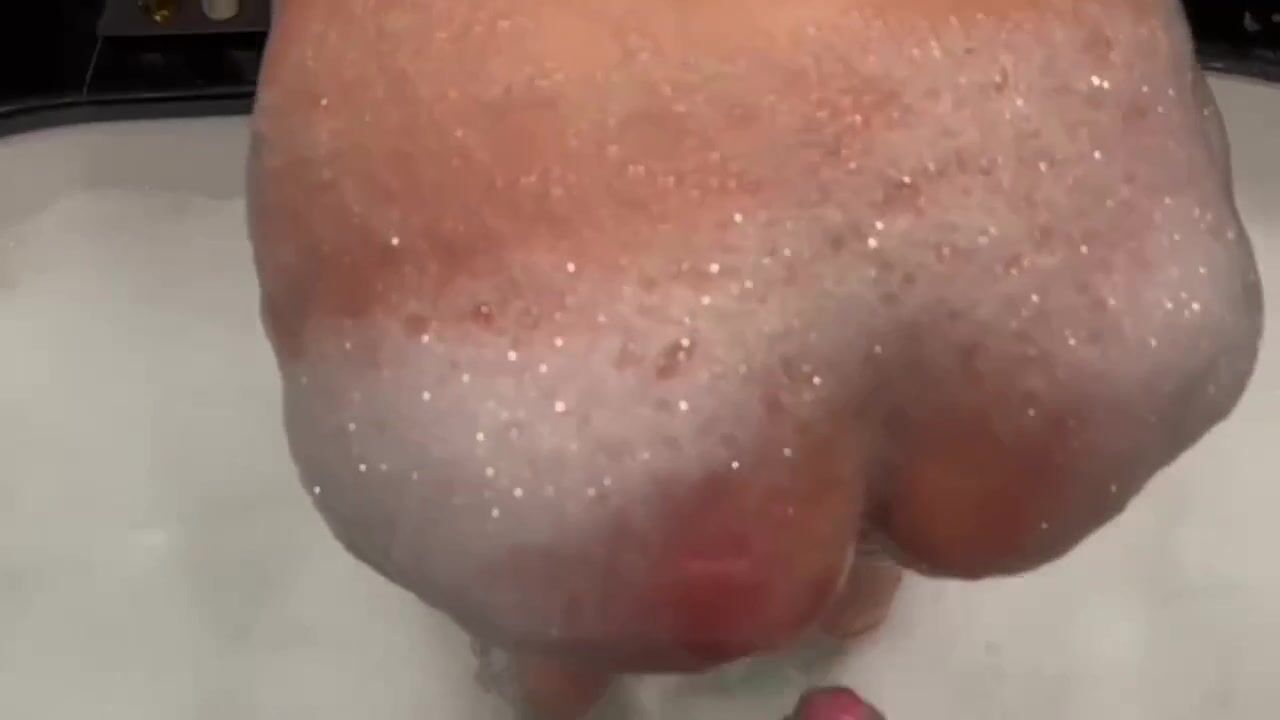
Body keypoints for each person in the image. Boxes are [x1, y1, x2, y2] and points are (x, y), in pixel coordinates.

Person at [247, 0, 1263, 716]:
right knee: (912, 517)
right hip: (1066, 252)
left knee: (563, 629)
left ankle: (554, 692)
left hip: (555, 355)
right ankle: (853, 602)